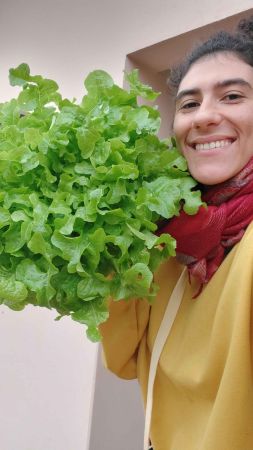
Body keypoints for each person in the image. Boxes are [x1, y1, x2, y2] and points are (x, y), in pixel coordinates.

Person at [100, 16, 253, 450]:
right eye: (188, 104)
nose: (205, 116)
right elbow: (126, 358)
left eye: (232, 95)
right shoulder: (172, 247)